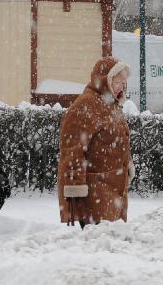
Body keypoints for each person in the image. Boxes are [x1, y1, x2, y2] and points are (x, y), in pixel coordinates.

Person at [58, 56, 136, 227]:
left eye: (124, 83)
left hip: (113, 190)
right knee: (100, 247)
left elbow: (117, 140)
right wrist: (75, 190)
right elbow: (72, 151)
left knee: (111, 245)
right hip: (96, 194)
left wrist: (127, 162)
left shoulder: (111, 105)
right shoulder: (86, 105)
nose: (122, 87)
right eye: (118, 82)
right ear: (104, 80)